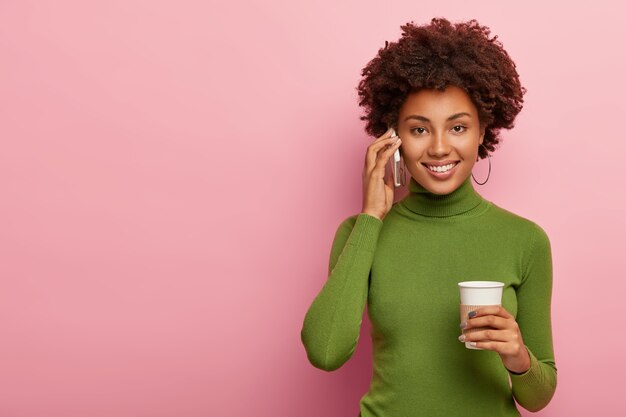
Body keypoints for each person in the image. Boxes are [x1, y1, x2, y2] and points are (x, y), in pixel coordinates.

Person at [300, 17, 557, 416]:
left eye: (457, 127)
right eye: (420, 130)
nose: (439, 148)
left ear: (483, 131)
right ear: (394, 136)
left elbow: (539, 397)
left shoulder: (526, 241)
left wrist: (517, 356)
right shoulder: (359, 232)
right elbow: (326, 351)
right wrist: (371, 216)